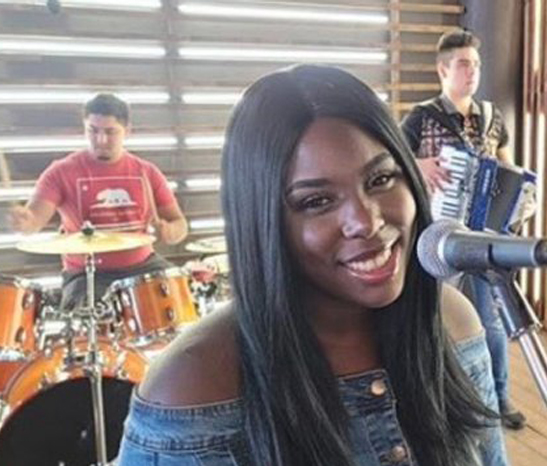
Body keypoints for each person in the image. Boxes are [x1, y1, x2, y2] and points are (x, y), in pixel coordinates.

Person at [117, 65, 509, 465]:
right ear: (264, 222)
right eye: (316, 201)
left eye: (380, 179)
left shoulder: (453, 322)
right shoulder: (191, 387)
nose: (367, 221)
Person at [401, 29, 528, 430]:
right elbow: (390, 162)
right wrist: (418, 164)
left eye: (476, 65)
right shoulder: (421, 118)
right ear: (443, 69)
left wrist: (519, 194)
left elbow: (508, 167)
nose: (472, 72)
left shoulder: (492, 118)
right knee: (434, 317)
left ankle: (499, 397)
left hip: (482, 234)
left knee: (490, 320)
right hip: (437, 236)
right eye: (463, 64)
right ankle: (437, 396)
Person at [8, 93, 188, 310]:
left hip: (144, 266)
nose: (101, 140)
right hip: (87, 275)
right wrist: (24, 222)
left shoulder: (147, 172)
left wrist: (170, 232)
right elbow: (33, 221)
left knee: (184, 303)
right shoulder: (61, 172)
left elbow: (179, 224)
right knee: (92, 320)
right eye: (93, 131)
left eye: (110, 132)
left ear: (127, 131)